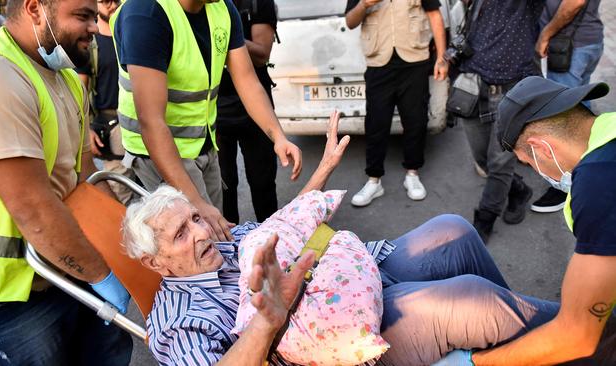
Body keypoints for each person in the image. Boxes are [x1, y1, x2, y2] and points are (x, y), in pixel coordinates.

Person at [122, 112, 614, 365]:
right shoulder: (175, 324)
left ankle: (540, 343)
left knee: (453, 231)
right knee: (470, 301)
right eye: (180, 234)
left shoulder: (227, 243)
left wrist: (324, 172)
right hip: (333, 336)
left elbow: (294, 226)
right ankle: (587, 343)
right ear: (156, 263)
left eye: (195, 218)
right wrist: (266, 321)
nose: (201, 232)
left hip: (352, 278)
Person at [0, 0, 132, 364]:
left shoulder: (67, 77)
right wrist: (103, 276)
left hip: (65, 271)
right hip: (3, 297)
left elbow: (84, 175)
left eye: (94, 16)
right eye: (82, 15)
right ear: (35, 9)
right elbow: (34, 210)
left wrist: (126, 247)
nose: (94, 26)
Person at [437, 76, 616, 364]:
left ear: (542, 148)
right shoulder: (609, 130)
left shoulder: (599, 185)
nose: (536, 170)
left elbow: (577, 335)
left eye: (528, 162)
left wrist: (477, 362)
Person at [111, 0, 302, 243]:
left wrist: (277, 136)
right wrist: (196, 203)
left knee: (217, 236)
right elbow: (151, 121)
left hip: (203, 144)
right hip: (158, 153)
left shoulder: (222, 8)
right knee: (198, 243)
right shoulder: (145, 11)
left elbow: (246, 80)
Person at [452, 0, 542, 242]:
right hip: (474, 84)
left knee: (500, 161)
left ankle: (485, 220)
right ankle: (519, 190)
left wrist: (550, 34)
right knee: (484, 159)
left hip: (513, 88)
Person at [345, 0, 448, 205]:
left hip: (414, 61)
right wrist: (364, 4)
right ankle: (374, 181)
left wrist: (441, 58)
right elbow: (350, 21)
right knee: (376, 124)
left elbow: (435, 16)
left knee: (416, 120)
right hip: (378, 63)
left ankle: (412, 174)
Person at [530, 0, 604, 214]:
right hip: (584, 42)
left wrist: (545, 34)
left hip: (572, 46)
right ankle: (587, 167)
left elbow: (574, 2)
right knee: (580, 110)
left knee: (564, 119)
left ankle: (568, 185)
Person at [216, 0, 278, 224]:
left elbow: (262, 55)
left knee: (263, 185)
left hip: (255, 110)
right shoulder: (201, 6)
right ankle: (228, 252)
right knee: (223, 188)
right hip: (214, 110)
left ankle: (272, 247)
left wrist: (223, 35)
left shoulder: (256, 3)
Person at [76, 0, 135, 204]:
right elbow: (79, 91)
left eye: (116, 0)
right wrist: (86, 131)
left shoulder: (132, 34)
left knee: (153, 194)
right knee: (121, 193)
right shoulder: (91, 43)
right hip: (112, 127)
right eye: (105, 1)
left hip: (141, 123)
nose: (112, 5)